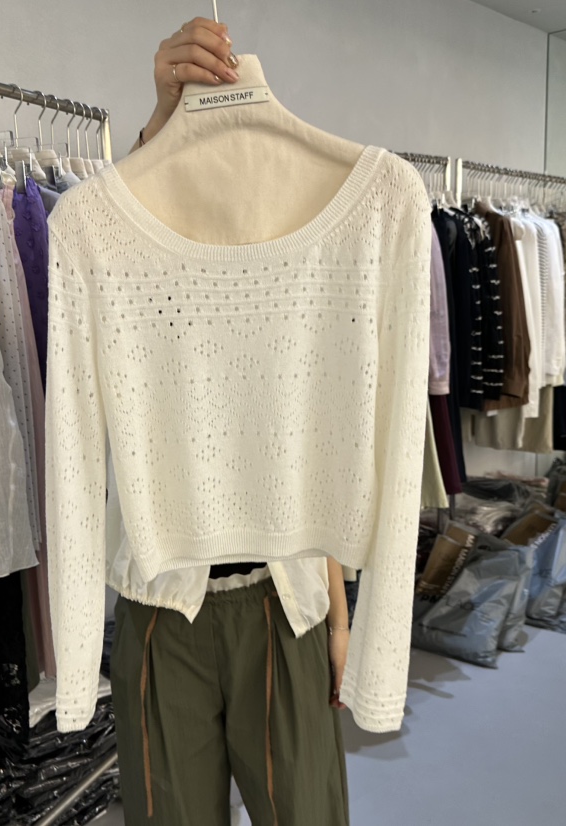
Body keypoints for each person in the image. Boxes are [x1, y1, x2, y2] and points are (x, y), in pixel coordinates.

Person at [109, 20, 352, 825]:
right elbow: (117, 265)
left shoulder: (310, 233)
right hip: (161, 598)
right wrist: (160, 121)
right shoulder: (128, 229)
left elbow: (324, 431)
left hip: (284, 595)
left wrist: (339, 605)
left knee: (306, 810)